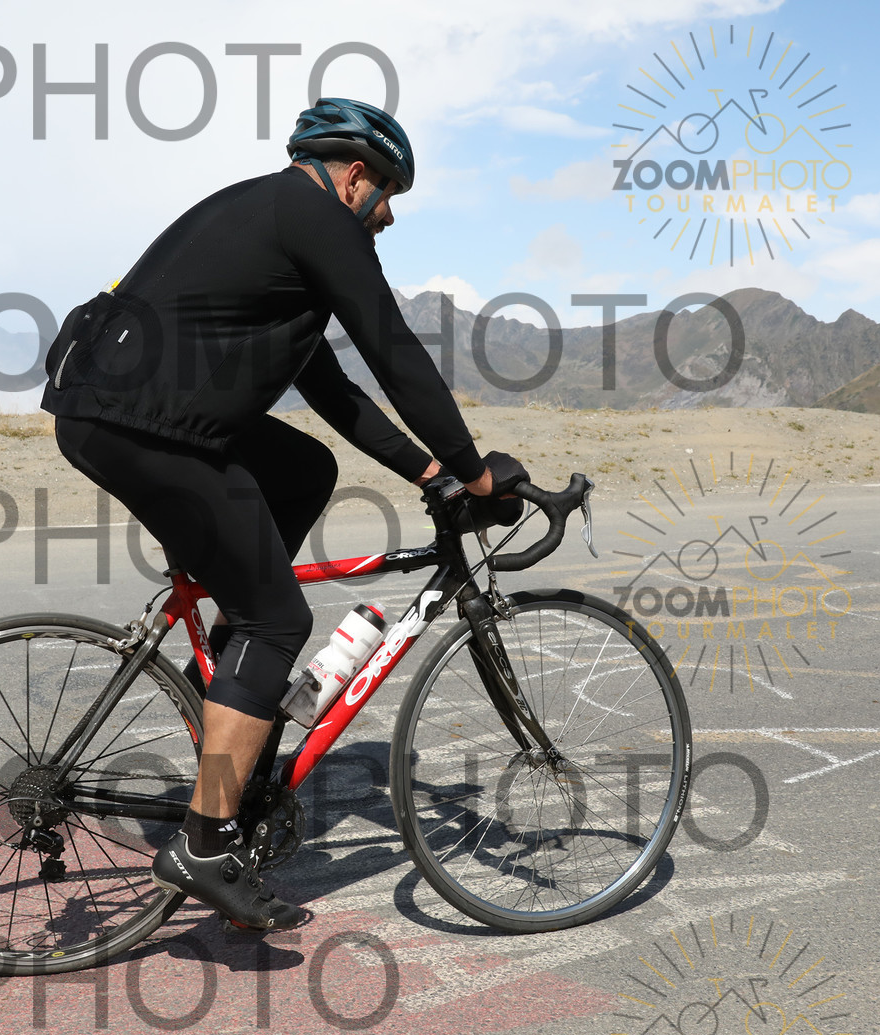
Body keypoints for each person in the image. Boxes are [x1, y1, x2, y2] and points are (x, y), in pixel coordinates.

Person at [41, 97, 527, 931]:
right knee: (279, 619)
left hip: (120, 410)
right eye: (389, 197)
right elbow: (395, 356)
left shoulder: (269, 216)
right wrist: (479, 474)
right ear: (356, 177)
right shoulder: (316, 217)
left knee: (306, 468)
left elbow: (333, 391)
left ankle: (231, 673)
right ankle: (204, 844)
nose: (388, 217)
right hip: (141, 424)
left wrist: (432, 471)